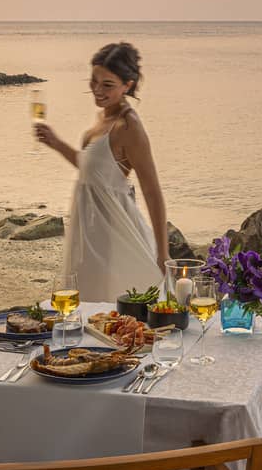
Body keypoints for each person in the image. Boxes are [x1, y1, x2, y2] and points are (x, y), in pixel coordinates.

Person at [35, 42, 167, 301]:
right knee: (86, 309)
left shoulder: (129, 126)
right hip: (89, 229)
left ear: (127, 85)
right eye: (93, 81)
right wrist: (56, 143)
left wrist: (163, 254)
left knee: (111, 311)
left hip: (114, 234)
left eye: (107, 84)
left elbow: (152, 191)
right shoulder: (103, 118)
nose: (97, 90)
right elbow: (94, 173)